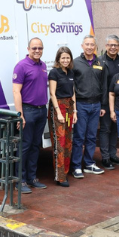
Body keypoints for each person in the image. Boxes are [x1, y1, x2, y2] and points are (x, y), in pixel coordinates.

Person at [12, 37, 49, 194]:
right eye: (34, 48)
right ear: (28, 49)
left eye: (40, 48)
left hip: (41, 111)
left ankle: (32, 178)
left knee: (35, 145)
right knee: (25, 146)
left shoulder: (43, 65)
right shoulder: (21, 66)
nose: (37, 51)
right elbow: (16, 91)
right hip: (28, 111)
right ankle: (20, 180)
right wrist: (20, 115)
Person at [70, 35, 108, 179]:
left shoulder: (100, 63)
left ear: (95, 46)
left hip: (96, 105)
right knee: (79, 137)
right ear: (82, 46)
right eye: (87, 44)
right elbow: (72, 86)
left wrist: (103, 105)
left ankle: (89, 163)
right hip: (81, 104)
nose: (90, 47)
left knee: (92, 136)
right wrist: (74, 108)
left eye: (92, 44)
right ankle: (76, 166)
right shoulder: (75, 63)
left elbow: (104, 85)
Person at [48, 47, 78, 187]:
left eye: (68, 57)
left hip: (69, 108)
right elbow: (52, 94)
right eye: (63, 58)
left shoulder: (70, 72)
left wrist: (75, 111)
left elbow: (73, 92)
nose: (65, 60)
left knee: (68, 141)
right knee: (59, 142)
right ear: (58, 59)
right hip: (58, 107)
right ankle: (59, 177)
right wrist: (58, 113)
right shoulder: (54, 72)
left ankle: (65, 171)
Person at [99, 35, 119, 170]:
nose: (113, 47)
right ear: (106, 46)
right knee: (105, 129)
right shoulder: (99, 62)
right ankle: (105, 158)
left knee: (115, 129)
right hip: (105, 102)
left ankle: (112, 155)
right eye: (110, 45)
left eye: (115, 45)